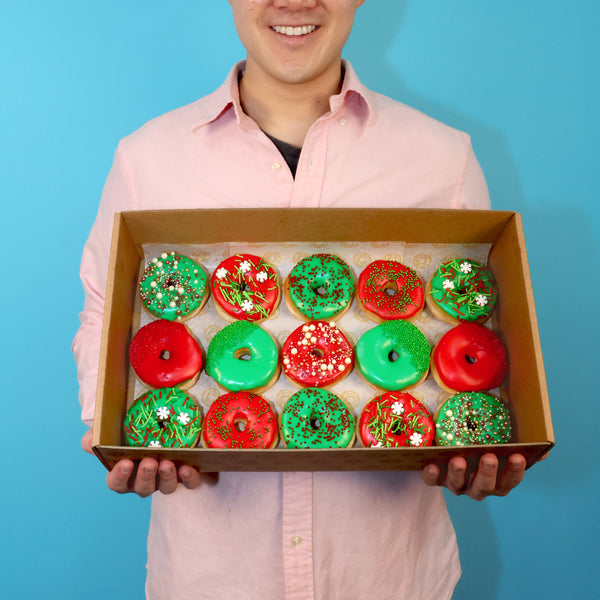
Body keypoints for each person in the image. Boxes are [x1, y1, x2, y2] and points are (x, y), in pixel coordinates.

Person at [74, 1, 527, 598]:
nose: (294, 1)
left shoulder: (442, 158)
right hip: (211, 579)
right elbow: (105, 315)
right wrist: (110, 429)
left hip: (387, 578)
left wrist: (482, 448)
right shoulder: (149, 158)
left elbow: (486, 322)